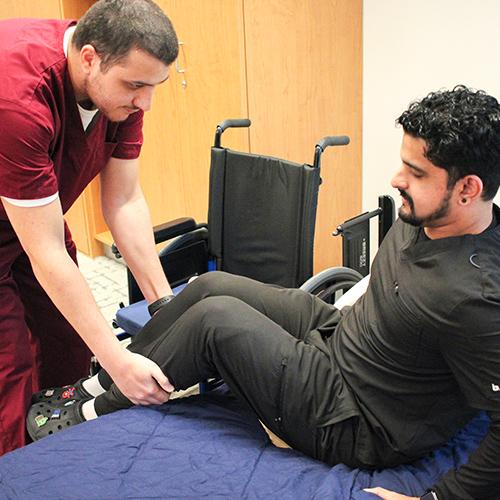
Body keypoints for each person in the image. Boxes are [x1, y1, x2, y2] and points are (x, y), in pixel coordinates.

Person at [28, 86, 500, 500]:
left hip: (355, 417)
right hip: (342, 334)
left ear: (467, 189)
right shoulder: (427, 215)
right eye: (403, 164)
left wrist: (437, 497)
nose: (397, 180)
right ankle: (99, 381)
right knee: (208, 286)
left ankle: (94, 411)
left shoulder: (475, 298)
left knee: (215, 321)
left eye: (416, 173)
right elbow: (395, 288)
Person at [0, 0, 179, 455]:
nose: (146, 102)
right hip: (24, 222)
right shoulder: (19, 100)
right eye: (137, 85)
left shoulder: (121, 90)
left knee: (69, 342)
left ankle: (68, 449)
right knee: (10, 372)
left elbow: (124, 200)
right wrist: (119, 362)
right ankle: (22, 471)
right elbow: (46, 255)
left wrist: (165, 307)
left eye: (155, 86)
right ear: (89, 58)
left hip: (33, 215)